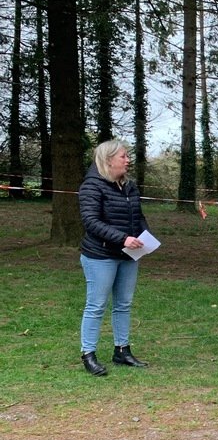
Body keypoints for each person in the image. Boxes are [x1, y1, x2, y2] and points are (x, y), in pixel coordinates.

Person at [78, 139, 152, 376]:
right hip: (100, 255)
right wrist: (123, 239)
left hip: (128, 255)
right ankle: (88, 353)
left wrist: (144, 237)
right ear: (108, 160)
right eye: (123, 156)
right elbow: (91, 222)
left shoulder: (129, 186)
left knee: (123, 304)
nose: (128, 160)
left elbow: (138, 216)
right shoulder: (91, 186)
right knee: (96, 305)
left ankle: (122, 350)